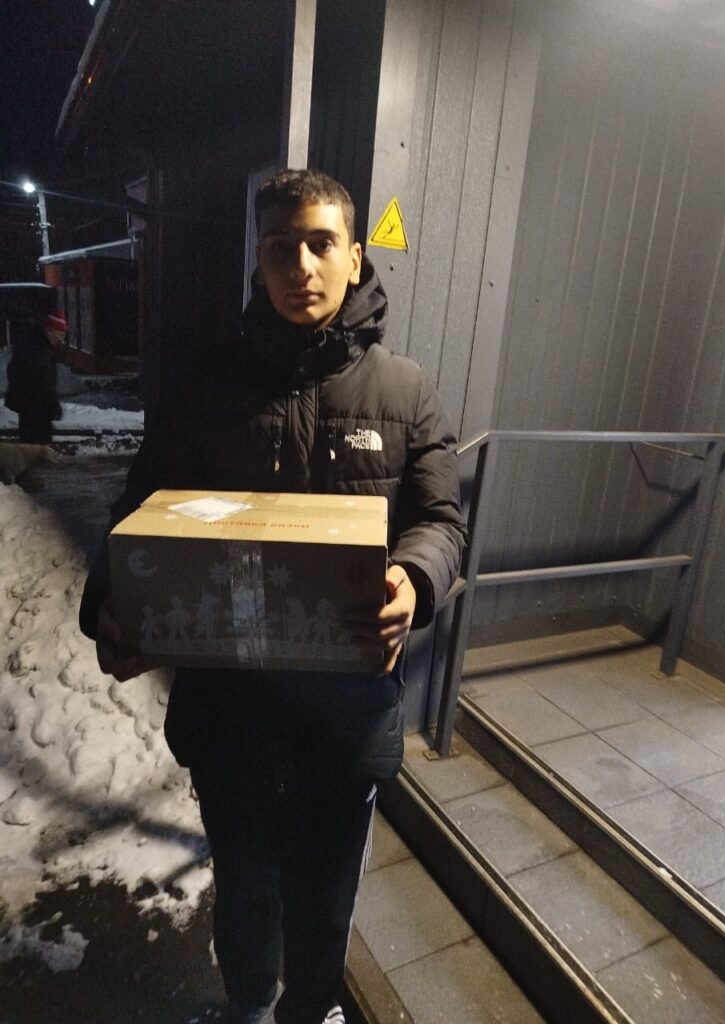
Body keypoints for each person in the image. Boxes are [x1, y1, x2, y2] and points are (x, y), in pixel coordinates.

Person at [79, 169, 466, 1024]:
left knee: (325, 900)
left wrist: (416, 579)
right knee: (246, 887)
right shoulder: (204, 384)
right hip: (232, 711)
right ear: (258, 260)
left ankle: (311, 1010)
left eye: (321, 244)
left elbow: (442, 521)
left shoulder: (405, 392)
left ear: (355, 255)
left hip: (345, 716)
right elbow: (139, 508)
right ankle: (250, 1004)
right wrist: (112, 599)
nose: (301, 266)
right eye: (281, 247)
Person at [5, 308, 66, 442]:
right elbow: (43, 381)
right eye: (59, 334)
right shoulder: (40, 350)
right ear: (50, 330)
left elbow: (12, 370)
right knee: (38, 448)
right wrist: (52, 404)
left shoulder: (33, 343)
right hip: (37, 410)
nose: (61, 339)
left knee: (30, 445)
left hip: (29, 408)